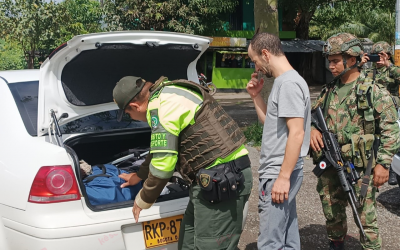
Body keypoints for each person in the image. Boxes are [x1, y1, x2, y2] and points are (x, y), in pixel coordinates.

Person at [113, 75, 253, 250]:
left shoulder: (161, 107)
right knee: (187, 243)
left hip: (223, 179)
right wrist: (139, 176)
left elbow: (163, 167)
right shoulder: (168, 92)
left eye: (128, 114)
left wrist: (142, 199)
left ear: (135, 106)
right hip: (209, 180)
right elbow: (160, 150)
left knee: (211, 246)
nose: (132, 117)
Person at [310, 33, 400, 250]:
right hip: (331, 163)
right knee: (332, 212)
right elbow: (316, 115)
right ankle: (336, 244)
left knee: (366, 219)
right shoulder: (328, 90)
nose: (331, 66)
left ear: (352, 59)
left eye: (335, 61)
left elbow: (391, 129)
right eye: (329, 61)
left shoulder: (372, 91)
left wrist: (383, 164)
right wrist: (313, 130)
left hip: (361, 168)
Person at [246, 32, 311, 250]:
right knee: (288, 238)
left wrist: (282, 178)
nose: (256, 68)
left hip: (279, 172)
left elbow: (297, 133)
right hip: (281, 171)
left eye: (255, 60)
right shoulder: (286, 82)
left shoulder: (288, 84)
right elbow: (272, 124)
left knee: (270, 242)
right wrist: (257, 96)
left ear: (265, 54)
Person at [360, 41, 400, 185]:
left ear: (388, 55)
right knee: (373, 140)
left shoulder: (392, 70)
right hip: (372, 111)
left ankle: (392, 171)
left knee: (389, 139)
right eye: (375, 56)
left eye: (381, 55)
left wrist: (388, 64)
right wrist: (360, 64)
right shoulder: (369, 71)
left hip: (390, 111)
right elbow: (356, 80)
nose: (378, 59)